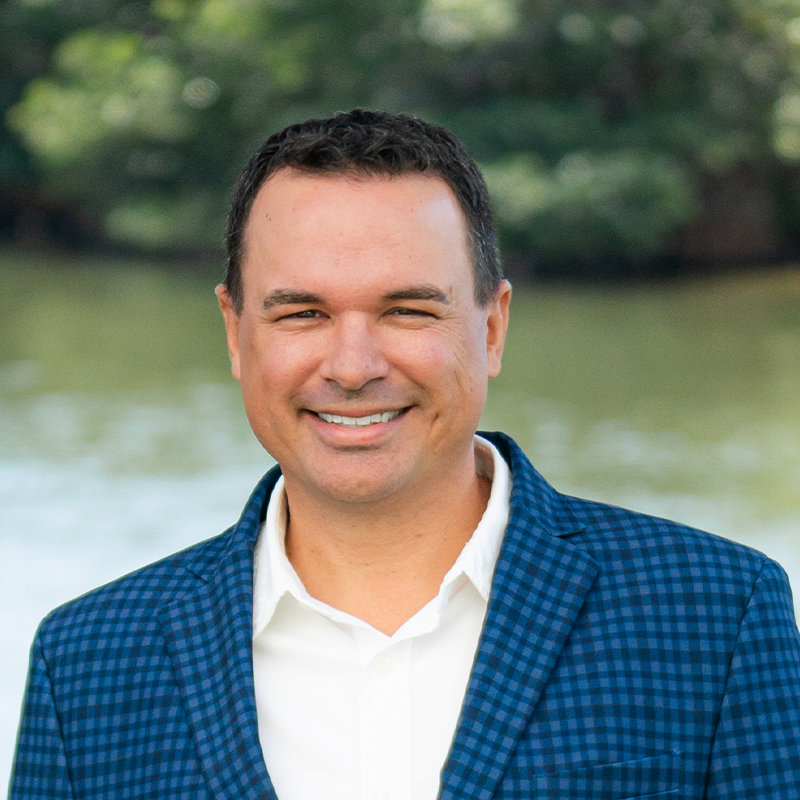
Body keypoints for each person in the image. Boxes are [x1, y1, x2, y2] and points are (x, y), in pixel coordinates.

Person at [10, 109, 800, 800]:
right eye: (303, 313)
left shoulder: (716, 615)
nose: (353, 367)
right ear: (235, 333)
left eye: (408, 310)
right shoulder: (87, 663)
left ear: (492, 327)